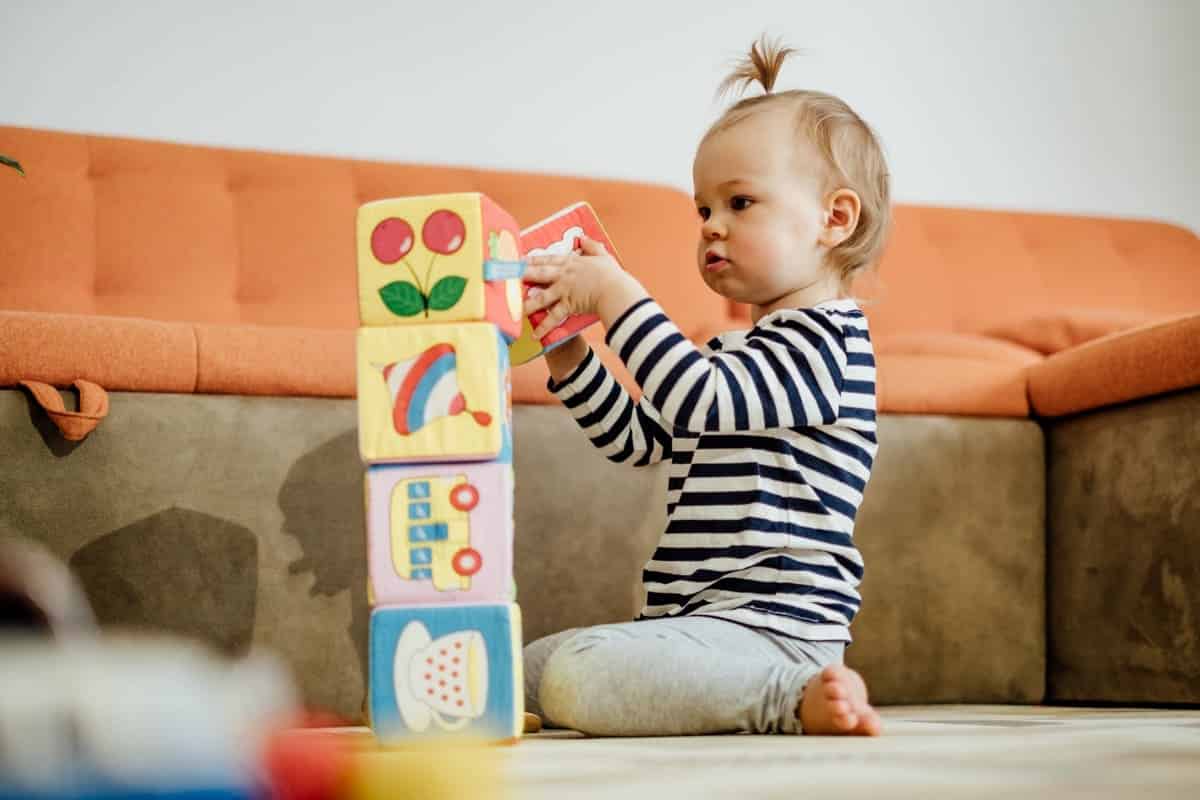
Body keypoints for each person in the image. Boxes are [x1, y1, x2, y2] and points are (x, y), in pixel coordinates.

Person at [520, 35, 889, 736]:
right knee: (531, 666)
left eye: (740, 203)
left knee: (577, 673)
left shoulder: (830, 345)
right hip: (696, 628)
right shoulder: (732, 353)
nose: (712, 227)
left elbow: (698, 396)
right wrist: (569, 352)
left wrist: (618, 297)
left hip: (774, 632)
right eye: (703, 209)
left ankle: (787, 697)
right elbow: (637, 442)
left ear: (833, 221)